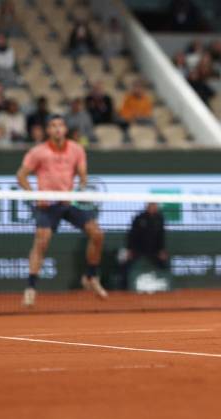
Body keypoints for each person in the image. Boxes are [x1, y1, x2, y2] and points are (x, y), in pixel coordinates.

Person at [16, 115, 108, 307]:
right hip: (47, 204)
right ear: (48, 131)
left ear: (65, 129)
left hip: (68, 202)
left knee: (97, 234)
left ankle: (90, 277)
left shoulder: (76, 149)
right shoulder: (38, 152)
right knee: (42, 240)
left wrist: (81, 186)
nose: (57, 129)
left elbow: (82, 174)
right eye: (53, 126)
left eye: (60, 125)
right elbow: (21, 176)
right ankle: (31, 289)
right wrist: (34, 195)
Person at [121, 202, 168, 289]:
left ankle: (166, 285)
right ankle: (124, 288)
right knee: (125, 265)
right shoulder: (139, 218)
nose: (154, 207)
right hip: (138, 249)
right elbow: (132, 235)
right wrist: (129, 250)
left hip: (154, 250)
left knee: (164, 263)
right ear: (147, 206)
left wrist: (162, 250)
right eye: (151, 205)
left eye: (155, 205)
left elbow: (161, 236)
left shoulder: (160, 219)